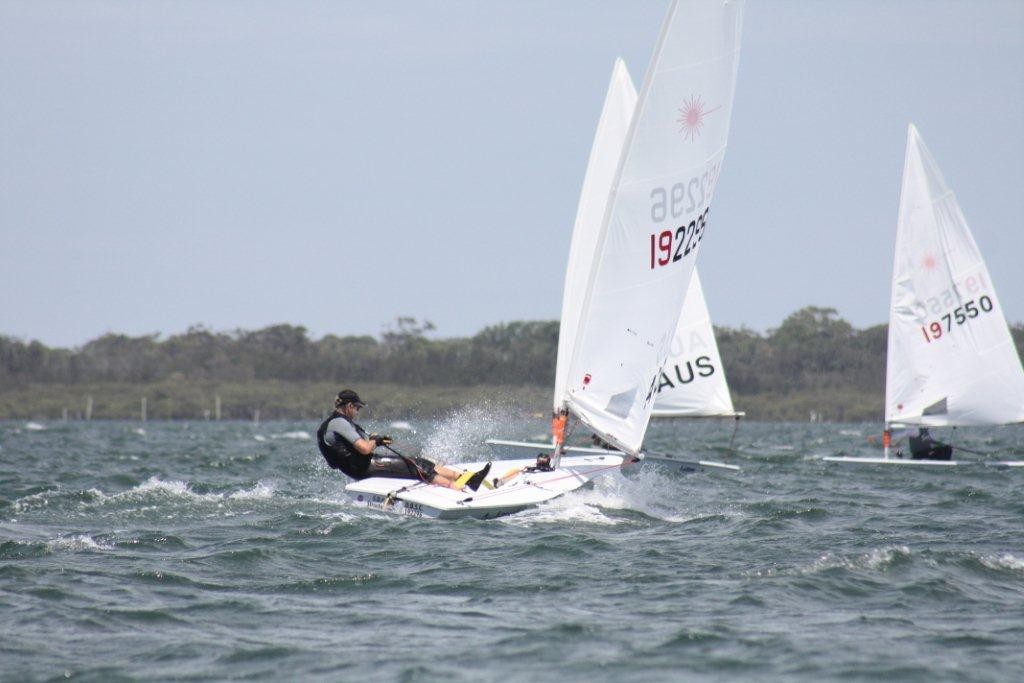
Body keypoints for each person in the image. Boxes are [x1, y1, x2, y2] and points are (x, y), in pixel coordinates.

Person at [316, 389, 491, 490]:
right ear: (348, 406)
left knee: (420, 461)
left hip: (360, 467)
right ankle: (457, 489)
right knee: (416, 467)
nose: (358, 412)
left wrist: (376, 440)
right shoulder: (339, 423)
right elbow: (364, 449)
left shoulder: (332, 424)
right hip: (364, 468)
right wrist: (375, 441)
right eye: (357, 408)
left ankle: (467, 478)